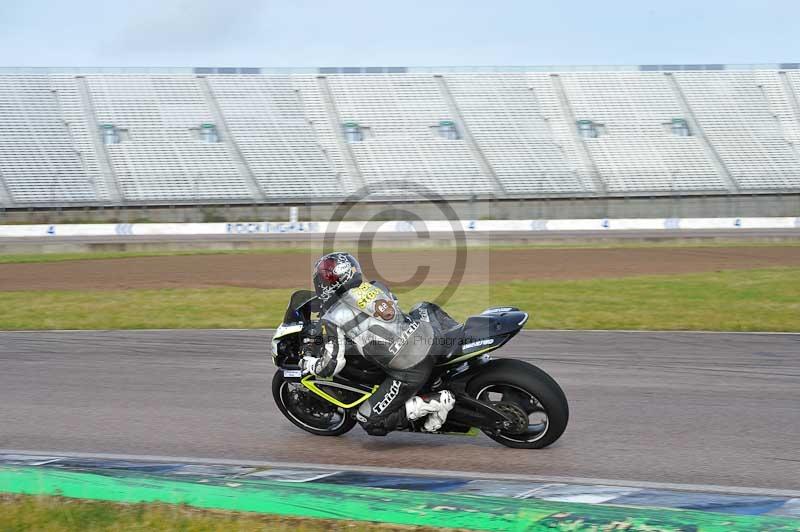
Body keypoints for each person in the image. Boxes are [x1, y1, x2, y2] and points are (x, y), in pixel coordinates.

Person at [299, 252, 455, 436]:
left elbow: (333, 364)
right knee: (420, 307)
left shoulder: (333, 318)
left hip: (410, 367)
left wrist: (310, 364)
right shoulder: (375, 286)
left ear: (330, 283)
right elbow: (392, 308)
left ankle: (434, 402)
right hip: (429, 336)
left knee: (369, 420)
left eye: (323, 281)